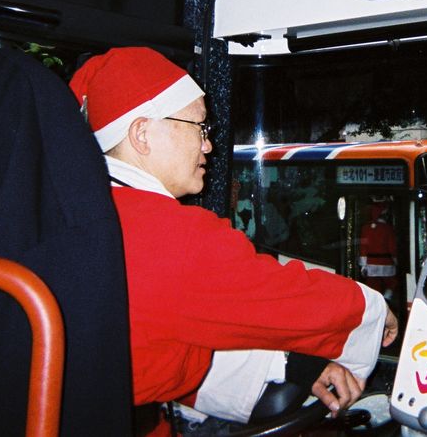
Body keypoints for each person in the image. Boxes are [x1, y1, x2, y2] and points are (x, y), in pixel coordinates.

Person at [69, 47, 398, 435]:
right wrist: (374, 310)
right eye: (198, 127)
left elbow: (169, 336)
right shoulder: (168, 234)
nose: (208, 145)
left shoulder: (85, 209)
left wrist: (295, 366)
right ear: (142, 134)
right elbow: (286, 301)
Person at [358, 198, 398, 300]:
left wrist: (363, 265)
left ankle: (376, 303)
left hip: (370, 263)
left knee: (372, 287)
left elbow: (363, 247)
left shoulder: (365, 228)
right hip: (386, 263)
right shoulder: (388, 229)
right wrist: (396, 261)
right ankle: (386, 299)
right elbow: (392, 248)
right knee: (391, 283)